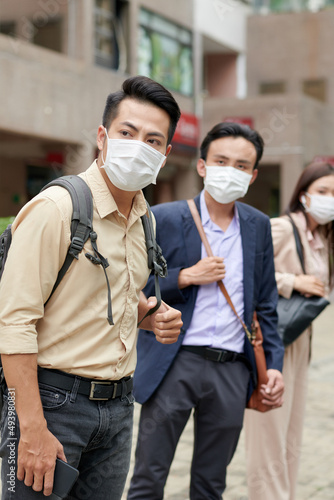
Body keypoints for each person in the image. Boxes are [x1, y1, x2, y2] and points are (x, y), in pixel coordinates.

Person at [0, 75, 183, 500]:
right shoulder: (57, 208)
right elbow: (13, 323)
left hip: (118, 409)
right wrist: (31, 429)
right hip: (50, 404)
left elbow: (116, 293)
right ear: (103, 137)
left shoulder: (144, 218)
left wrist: (149, 316)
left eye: (153, 140)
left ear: (166, 154)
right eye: (127, 132)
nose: (139, 146)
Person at [127, 122, 285, 500]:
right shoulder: (164, 217)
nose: (231, 171)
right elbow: (132, 288)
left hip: (232, 368)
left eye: (242, 165)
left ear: (253, 174)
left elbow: (266, 302)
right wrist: (184, 277)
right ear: (202, 166)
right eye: (222, 161)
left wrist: (274, 364)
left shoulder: (258, 225)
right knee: (149, 477)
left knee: (211, 483)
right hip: (174, 361)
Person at [244, 161, 334, 500]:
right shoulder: (282, 228)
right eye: (322, 191)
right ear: (303, 194)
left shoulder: (322, 237)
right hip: (271, 342)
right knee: (268, 438)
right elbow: (244, 268)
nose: (329, 199)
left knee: (291, 437)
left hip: (300, 341)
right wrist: (292, 281)